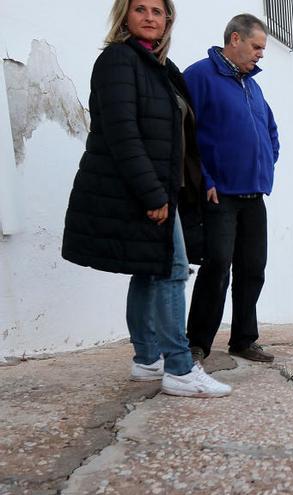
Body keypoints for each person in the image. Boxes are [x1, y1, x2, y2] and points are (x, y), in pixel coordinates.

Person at [61, 0, 231, 397]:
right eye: (141, 9)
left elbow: (180, 137)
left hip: (160, 188)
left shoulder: (162, 68)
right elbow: (122, 135)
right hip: (140, 190)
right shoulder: (118, 61)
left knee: (149, 269)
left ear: (167, 19)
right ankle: (178, 367)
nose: (150, 17)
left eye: (158, 11)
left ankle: (146, 359)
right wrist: (153, 194)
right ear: (125, 16)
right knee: (171, 271)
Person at [184, 14, 280, 363]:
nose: (261, 54)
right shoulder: (199, 76)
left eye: (263, 48)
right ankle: (196, 343)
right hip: (219, 194)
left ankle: (243, 339)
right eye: (257, 46)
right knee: (217, 267)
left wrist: (267, 166)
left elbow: (270, 131)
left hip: (254, 195)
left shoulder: (252, 86)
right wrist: (205, 179)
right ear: (235, 39)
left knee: (253, 269)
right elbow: (184, 135)